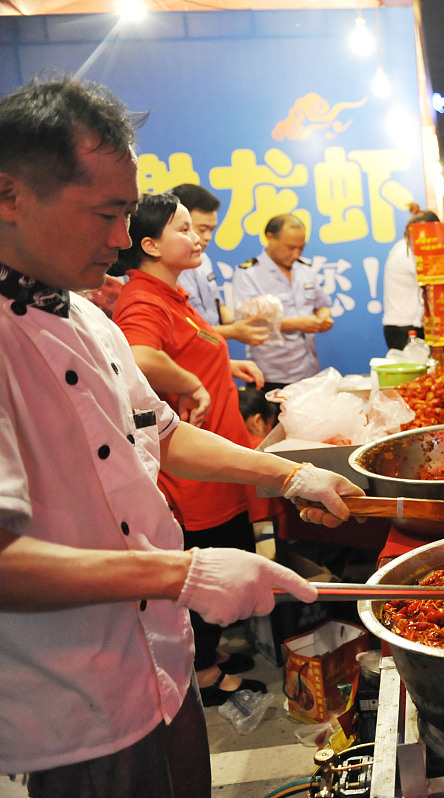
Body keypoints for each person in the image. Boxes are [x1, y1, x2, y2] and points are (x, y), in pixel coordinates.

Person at [0, 75, 361, 798]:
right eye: (104, 214)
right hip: (75, 707)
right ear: (8, 195)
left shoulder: (86, 315)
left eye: (129, 214)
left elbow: (161, 435)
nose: (120, 239)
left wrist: (285, 475)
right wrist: (183, 574)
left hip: (160, 666)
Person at [112, 191, 274, 705]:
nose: (199, 237)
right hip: (191, 472)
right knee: (209, 564)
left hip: (216, 459)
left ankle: (210, 655)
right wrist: (196, 384)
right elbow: (140, 356)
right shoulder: (141, 298)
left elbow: (184, 351)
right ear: (150, 244)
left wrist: (225, 368)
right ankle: (203, 672)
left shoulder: (172, 296)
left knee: (228, 551)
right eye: (186, 229)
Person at [231, 214, 333, 391]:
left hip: (308, 372)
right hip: (271, 375)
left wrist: (324, 317)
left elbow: (322, 304)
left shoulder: (305, 270)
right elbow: (249, 322)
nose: (296, 254)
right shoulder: (249, 273)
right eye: (290, 248)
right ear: (270, 237)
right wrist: (299, 324)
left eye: (301, 248)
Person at [170, 183, 267, 348]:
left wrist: (248, 316)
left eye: (212, 229)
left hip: (212, 354)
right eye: (202, 229)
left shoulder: (204, 260)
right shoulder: (162, 267)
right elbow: (180, 331)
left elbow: (215, 310)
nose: (208, 237)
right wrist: (232, 332)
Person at [382, 210, 439, 350]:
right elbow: (432, 275)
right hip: (403, 328)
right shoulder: (405, 251)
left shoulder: (412, 248)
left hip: (412, 326)